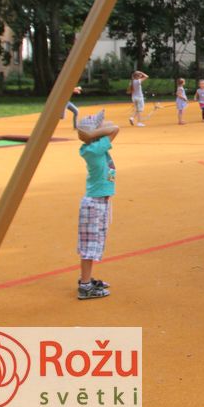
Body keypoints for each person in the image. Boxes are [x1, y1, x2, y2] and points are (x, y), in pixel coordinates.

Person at [75, 110, 119, 300]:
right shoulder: (95, 149)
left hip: (98, 202)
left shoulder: (93, 147)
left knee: (93, 244)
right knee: (90, 246)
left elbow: (110, 125)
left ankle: (86, 280)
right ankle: (85, 286)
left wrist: (92, 131)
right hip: (94, 204)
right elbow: (115, 128)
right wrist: (91, 132)